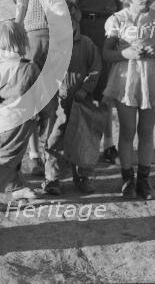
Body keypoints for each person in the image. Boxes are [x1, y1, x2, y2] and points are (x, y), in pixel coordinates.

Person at [15, 0, 79, 194]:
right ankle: (33, 155)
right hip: (33, 47)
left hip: (58, 47)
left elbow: (74, 14)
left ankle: (50, 151)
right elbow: (18, 19)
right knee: (32, 102)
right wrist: (13, 49)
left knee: (54, 105)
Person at [102, 0, 155, 199]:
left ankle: (144, 180)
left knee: (146, 130)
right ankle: (127, 179)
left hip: (151, 80)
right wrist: (125, 53)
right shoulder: (118, 20)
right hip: (126, 82)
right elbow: (107, 53)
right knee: (127, 131)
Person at [68, 0, 124, 165]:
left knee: (103, 88)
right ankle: (77, 141)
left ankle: (108, 142)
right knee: (79, 86)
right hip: (81, 32)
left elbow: (122, 7)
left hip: (104, 30)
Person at [0, 20, 42, 212]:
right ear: (24, 43)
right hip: (19, 122)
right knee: (6, 159)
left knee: (7, 155)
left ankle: (17, 187)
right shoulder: (30, 68)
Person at [45, 12, 102, 194]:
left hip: (82, 103)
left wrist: (85, 89)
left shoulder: (86, 44)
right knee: (54, 140)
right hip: (61, 104)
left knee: (82, 139)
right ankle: (52, 179)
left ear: (76, 20)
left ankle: (83, 176)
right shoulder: (54, 46)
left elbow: (95, 69)